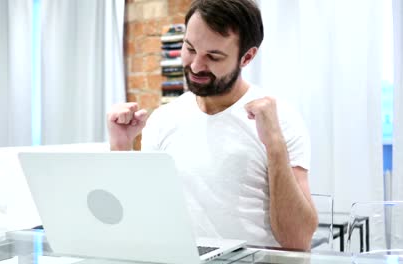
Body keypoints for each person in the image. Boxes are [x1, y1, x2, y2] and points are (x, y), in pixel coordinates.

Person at [107, 0, 318, 250]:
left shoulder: (280, 120)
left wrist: (274, 144)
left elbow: (298, 240)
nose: (196, 66)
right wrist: (121, 146)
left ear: (247, 57)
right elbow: (137, 217)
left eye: (213, 56)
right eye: (190, 48)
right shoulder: (164, 119)